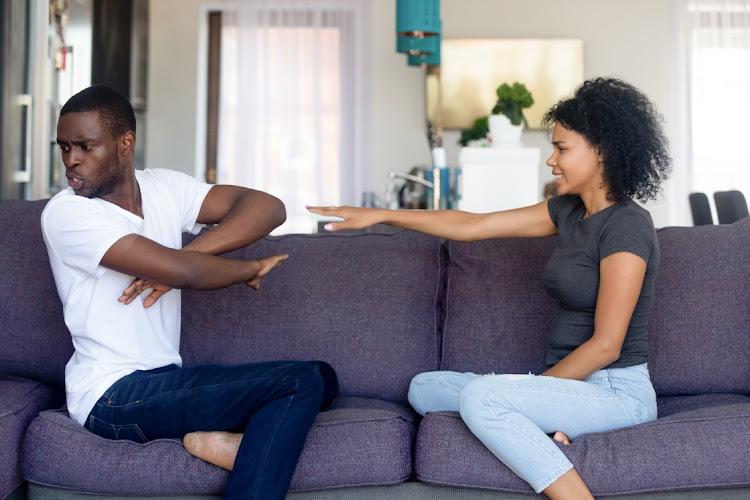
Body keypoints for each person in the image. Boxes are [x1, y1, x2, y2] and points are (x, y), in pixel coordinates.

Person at [308, 77, 671, 499]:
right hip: (570, 390)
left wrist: (538, 391)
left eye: (562, 148)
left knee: (482, 398)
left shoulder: (627, 225)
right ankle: (532, 422)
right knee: (425, 387)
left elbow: (608, 346)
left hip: (616, 392)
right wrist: (380, 215)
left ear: (602, 151)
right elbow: (474, 225)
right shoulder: (569, 211)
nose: (551, 161)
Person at [41, 85, 339, 500]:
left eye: (85, 147)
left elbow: (268, 207)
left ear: (125, 143)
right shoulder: (67, 213)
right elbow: (187, 273)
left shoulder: (163, 188)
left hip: (163, 379)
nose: (71, 160)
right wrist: (245, 269)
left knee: (323, 376)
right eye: (65, 147)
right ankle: (252, 461)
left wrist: (186, 256)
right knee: (299, 382)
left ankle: (241, 448)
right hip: (111, 396)